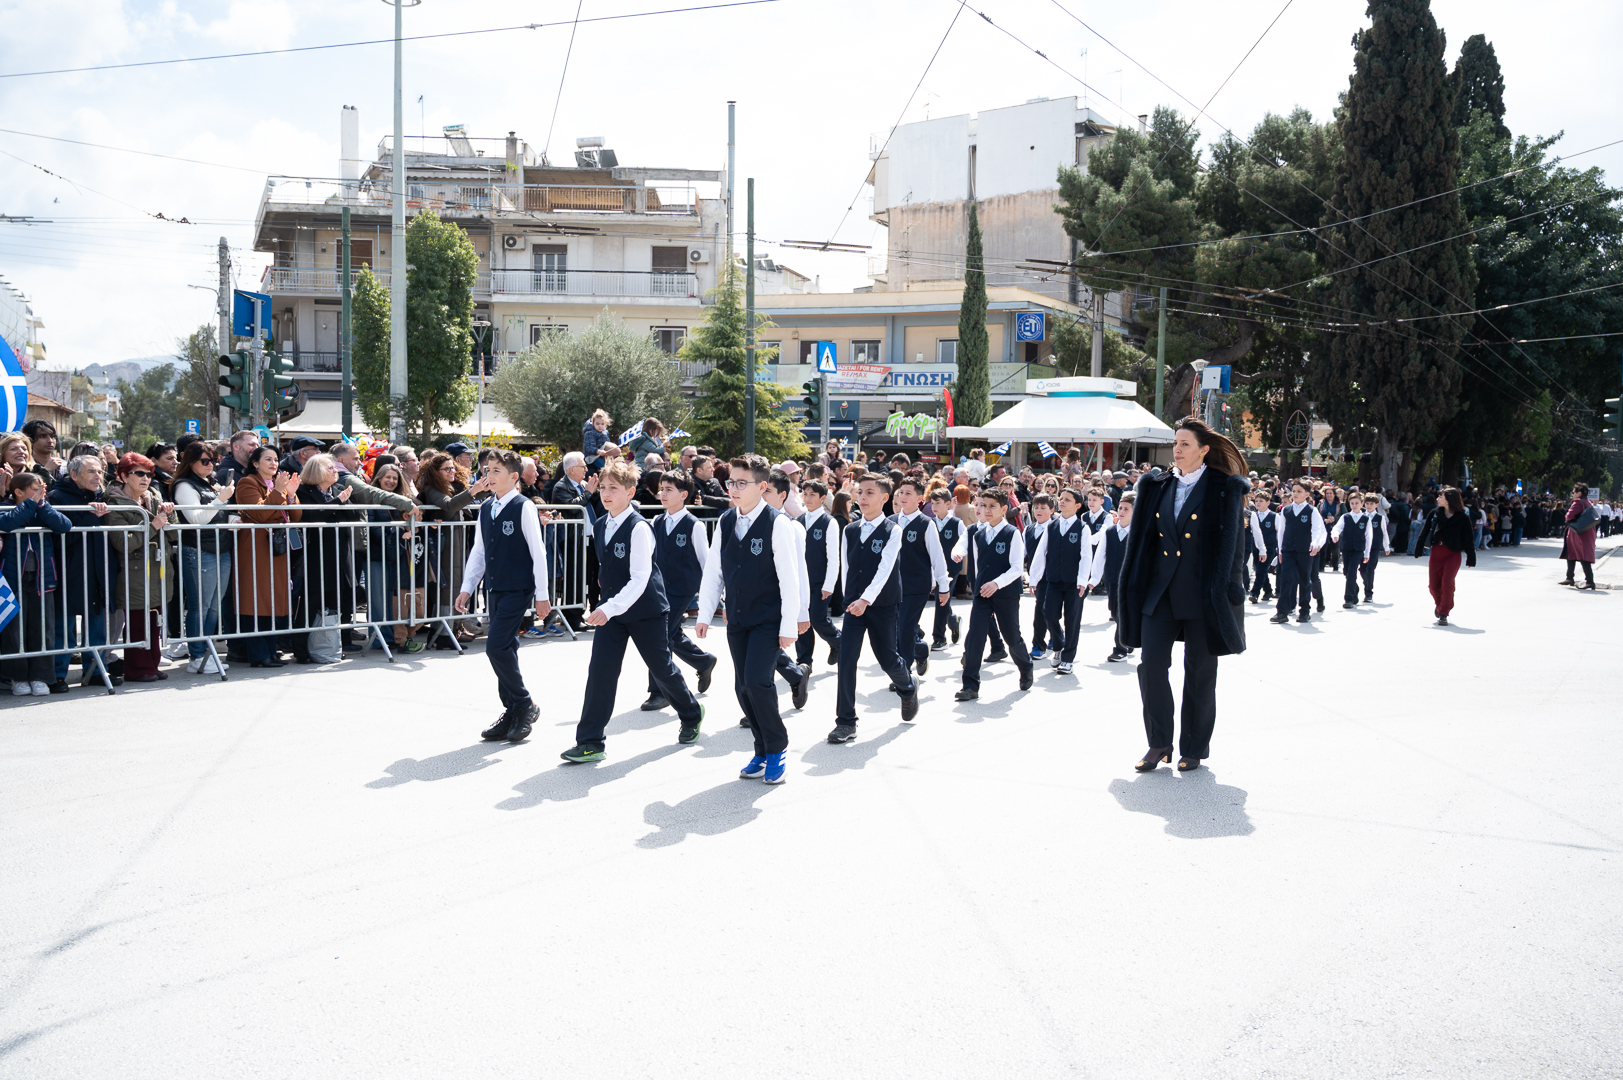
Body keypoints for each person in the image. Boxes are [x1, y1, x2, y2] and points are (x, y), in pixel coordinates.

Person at [1117, 418, 1249, 773]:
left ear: (1204, 450)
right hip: (1159, 594)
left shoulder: (1224, 487)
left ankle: (1193, 747)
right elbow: (1141, 542)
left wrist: (1231, 589)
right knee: (1151, 666)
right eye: (1175, 443)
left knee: (1200, 672)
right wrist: (1129, 585)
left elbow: (1235, 547)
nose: (1177, 449)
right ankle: (1159, 742)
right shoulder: (1156, 485)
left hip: (1203, 595)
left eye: (1185, 444)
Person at [695, 455, 804, 784]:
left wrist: (789, 626)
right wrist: (704, 613)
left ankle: (777, 747)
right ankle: (761, 749)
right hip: (738, 618)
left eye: (742, 483)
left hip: (768, 619)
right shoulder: (726, 520)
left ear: (762, 486)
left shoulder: (778, 523)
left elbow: (789, 578)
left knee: (758, 681)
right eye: (731, 482)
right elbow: (714, 571)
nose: (734, 488)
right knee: (743, 687)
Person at [454, 450, 551, 744]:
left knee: (495, 647)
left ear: (514, 476)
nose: (490, 476)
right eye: (488, 470)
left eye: (497, 471)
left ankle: (524, 704)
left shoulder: (523, 506)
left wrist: (542, 595)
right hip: (494, 587)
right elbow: (479, 551)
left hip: (518, 588)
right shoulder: (486, 508)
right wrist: (467, 587)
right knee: (506, 647)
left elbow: (538, 552)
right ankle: (511, 711)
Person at [827, 475, 919, 743]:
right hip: (853, 605)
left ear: (884, 498)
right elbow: (846, 566)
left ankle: (907, 686)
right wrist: (849, 598)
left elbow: (885, 569)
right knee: (847, 660)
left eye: (869, 492)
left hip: (882, 605)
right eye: (860, 492)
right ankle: (846, 721)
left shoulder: (893, 530)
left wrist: (865, 599)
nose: (863, 497)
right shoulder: (850, 529)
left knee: (887, 658)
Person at [639, 468, 718, 711]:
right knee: (670, 634)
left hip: (683, 588)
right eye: (661, 489)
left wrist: (711, 597)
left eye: (669, 490)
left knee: (659, 636)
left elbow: (705, 561)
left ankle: (659, 691)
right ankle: (703, 661)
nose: (663, 494)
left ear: (684, 494)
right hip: (660, 589)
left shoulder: (694, 525)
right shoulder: (656, 521)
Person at [954, 489, 1035, 702]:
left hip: (1006, 594)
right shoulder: (978, 534)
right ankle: (970, 685)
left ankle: (1026, 667)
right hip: (982, 594)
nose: (986, 510)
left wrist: (997, 583)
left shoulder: (1012, 533)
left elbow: (1017, 567)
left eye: (992, 506)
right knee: (975, 637)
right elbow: (978, 565)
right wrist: (978, 585)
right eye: (983, 505)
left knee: (1011, 637)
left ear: (1004, 509)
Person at [103, 453, 175, 682]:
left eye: (149, 474)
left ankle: (152, 664)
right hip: (133, 571)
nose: (146, 478)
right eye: (139, 473)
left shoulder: (154, 498)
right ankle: (137, 669)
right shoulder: (115, 503)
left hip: (158, 568)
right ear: (124, 476)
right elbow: (124, 543)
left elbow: (173, 534)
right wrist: (153, 525)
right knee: (137, 622)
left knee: (154, 620)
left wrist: (169, 514)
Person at [1, 473, 74, 695]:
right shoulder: (6, 507)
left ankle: (41, 677)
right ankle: (17, 678)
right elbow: (7, 523)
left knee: (43, 629)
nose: (41, 492)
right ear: (18, 492)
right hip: (12, 579)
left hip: (42, 578)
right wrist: (31, 504)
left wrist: (41, 505)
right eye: (35, 488)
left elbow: (64, 525)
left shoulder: (43, 508)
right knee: (14, 631)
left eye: (42, 488)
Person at [47, 455, 115, 689]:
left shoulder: (100, 496)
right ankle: (57, 674)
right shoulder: (57, 496)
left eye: (100, 472)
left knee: (96, 623)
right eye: (91, 471)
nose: (98, 476)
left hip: (96, 567)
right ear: (74, 475)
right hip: (68, 568)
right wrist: (89, 514)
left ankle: (95, 670)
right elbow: (59, 533)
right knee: (63, 625)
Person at [234, 445, 302, 667]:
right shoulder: (247, 483)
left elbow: (296, 516)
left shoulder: (277, 484)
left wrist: (290, 495)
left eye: (275, 459)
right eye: (268, 459)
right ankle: (259, 654)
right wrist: (278, 492)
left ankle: (271, 651)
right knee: (256, 599)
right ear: (255, 463)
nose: (274, 463)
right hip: (256, 547)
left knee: (272, 599)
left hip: (276, 547)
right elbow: (259, 513)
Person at [171, 442, 235, 673]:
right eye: (205, 461)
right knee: (200, 606)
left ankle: (206, 654)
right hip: (198, 549)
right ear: (190, 462)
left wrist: (232, 518)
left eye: (214, 461)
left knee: (214, 606)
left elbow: (218, 514)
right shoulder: (184, 485)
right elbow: (196, 518)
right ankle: (196, 656)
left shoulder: (211, 482)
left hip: (221, 548)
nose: (211, 465)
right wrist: (220, 499)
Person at [1028, 487, 1099, 675]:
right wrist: (1034, 578)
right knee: (1049, 613)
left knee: (1072, 620)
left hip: (1074, 583)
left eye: (1067, 500)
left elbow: (1086, 555)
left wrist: (1083, 580)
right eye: (1061, 498)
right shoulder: (1051, 526)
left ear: (1077, 505)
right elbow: (1041, 553)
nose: (1062, 501)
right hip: (1053, 580)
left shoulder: (1083, 528)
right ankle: (1059, 645)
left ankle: (1067, 659)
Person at [296, 454, 360, 663]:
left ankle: (333, 646)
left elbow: (354, 517)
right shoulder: (304, 491)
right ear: (317, 471)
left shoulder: (337, 490)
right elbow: (312, 516)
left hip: (340, 552)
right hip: (316, 554)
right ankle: (301, 650)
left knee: (338, 601)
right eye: (330, 467)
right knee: (312, 602)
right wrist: (337, 503)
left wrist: (344, 502)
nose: (335, 471)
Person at [888, 477, 950, 684]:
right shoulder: (891, 521)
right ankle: (920, 649)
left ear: (920, 498)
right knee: (895, 629)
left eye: (908, 493)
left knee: (905, 629)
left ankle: (902, 674)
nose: (903, 497)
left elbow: (937, 557)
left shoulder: (926, 524)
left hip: (916, 586)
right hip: (892, 586)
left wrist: (943, 586)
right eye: (901, 492)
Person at [795, 478, 843, 668]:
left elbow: (833, 557)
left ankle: (838, 640)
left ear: (823, 498)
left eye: (812, 495)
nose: (807, 498)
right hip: (801, 581)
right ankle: (804, 661)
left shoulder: (829, 522)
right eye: (805, 494)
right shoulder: (798, 521)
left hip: (819, 581)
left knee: (817, 619)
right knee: (801, 620)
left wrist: (829, 585)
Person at [1269, 479, 1327, 625]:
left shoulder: (1312, 511)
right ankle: (1282, 612)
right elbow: (1281, 531)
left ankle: (1304, 611)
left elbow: (1317, 530)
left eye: (1299, 491)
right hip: (1288, 550)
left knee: (1304, 580)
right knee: (1286, 579)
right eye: (1293, 491)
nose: (1295, 494)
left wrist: (1315, 543)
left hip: (1305, 551)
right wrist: (1280, 550)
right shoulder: (1285, 510)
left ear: (1307, 494)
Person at [1414, 486, 1475, 625]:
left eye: (1440, 497)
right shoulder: (1435, 513)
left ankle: (1443, 613)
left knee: (1447, 583)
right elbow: (1424, 531)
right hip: (1437, 552)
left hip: (1453, 553)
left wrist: (1471, 558)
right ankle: (1440, 604)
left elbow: (1468, 539)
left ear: (1448, 499)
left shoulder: (1463, 517)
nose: (1437, 499)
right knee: (1433, 585)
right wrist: (1418, 549)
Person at [928, 487, 965, 649]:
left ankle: (939, 638)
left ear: (948, 504)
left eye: (938, 503)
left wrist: (960, 553)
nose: (934, 507)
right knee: (941, 599)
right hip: (932, 568)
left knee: (941, 600)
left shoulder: (957, 523)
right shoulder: (930, 523)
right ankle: (953, 621)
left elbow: (965, 542)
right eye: (932, 503)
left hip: (951, 569)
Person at [1102, 495, 1135, 663]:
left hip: (1130, 581)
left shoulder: (1138, 533)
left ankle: (1120, 649)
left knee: (1122, 613)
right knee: (1115, 612)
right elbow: (1100, 555)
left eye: (1126, 509)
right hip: (1111, 578)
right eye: (1120, 508)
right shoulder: (1110, 531)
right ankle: (1128, 638)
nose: (1121, 511)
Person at [1558, 483, 1598, 589]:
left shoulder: (1578, 502)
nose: (1572, 494)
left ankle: (1589, 581)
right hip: (1586, 531)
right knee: (1571, 554)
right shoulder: (1588, 502)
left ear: (1579, 493)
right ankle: (1569, 577)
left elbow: (1569, 516)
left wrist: (1568, 515)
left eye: (1573, 492)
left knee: (1582, 556)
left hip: (1578, 533)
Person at [1246, 489, 1277, 604]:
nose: (1258, 503)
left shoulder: (1274, 516)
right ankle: (1268, 590)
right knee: (1259, 569)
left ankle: (1254, 593)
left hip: (1269, 547)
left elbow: (1280, 532)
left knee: (1261, 569)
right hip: (1255, 547)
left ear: (1268, 503)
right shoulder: (1252, 515)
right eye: (1256, 501)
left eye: (1261, 501)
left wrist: (1279, 548)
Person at [582, 410, 614, 474]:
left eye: (602, 424)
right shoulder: (589, 433)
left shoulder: (605, 432)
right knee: (605, 468)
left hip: (603, 454)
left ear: (605, 424)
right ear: (593, 423)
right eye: (597, 424)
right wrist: (598, 451)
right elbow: (589, 448)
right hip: (593, 457)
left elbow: (607, 443)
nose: (600, 426)